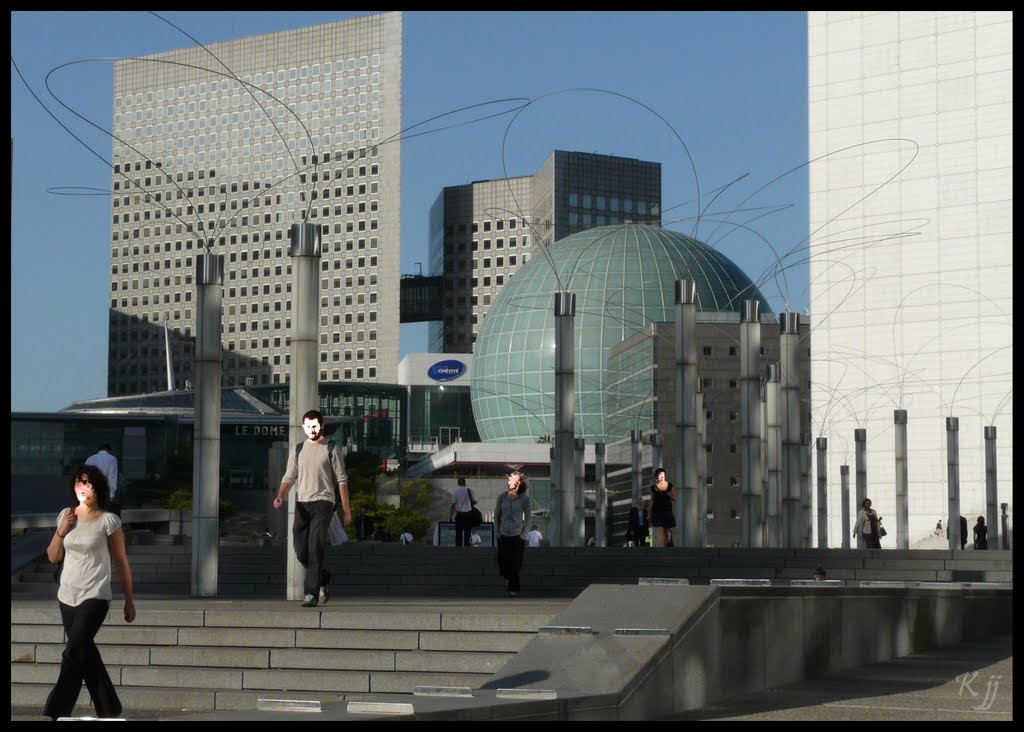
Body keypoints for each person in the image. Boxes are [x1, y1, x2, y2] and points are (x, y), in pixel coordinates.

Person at [43, 465, 135, 720]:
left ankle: (55, 711)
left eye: (89, 483)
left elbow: (121, 562)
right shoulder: (66, 515)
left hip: (95, 595)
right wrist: (62, 530)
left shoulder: (109, 520)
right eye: (79, 483)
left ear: (98, 488)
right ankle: (109, 708)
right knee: (84, 653)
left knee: (74, 652)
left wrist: (129, 601)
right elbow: (53, 557)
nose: (83, 488)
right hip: (67, 596)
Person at [274, 409, 351, 607]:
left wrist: (346, 509)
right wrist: (281, 495)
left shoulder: (332, 448)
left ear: (322, 425)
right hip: (302, 504)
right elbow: (289, 477)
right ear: (303, 427)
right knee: (301, 551)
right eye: (307, 426)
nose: (311, 429)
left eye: (315, 426)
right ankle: (322, 578)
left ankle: (311, 594)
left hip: (324, 503)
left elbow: (342, 480)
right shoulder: (298, 450)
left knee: (315, 548)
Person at [494, 471, 531, 597]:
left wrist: (524, 535)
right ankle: (507, 578)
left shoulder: (525, 499)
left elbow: (529, 518)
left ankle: (513, 589)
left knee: (515, 564)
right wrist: (497, 532)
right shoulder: (502, 497)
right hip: (503, 534)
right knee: (502, 561)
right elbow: (497, 516)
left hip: (517, 535)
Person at [85, 444, 120, 517]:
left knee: (93, 511)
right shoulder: (112, 459)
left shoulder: (90, 458)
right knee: (105, 512)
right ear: (109, 451)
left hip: (90, 489)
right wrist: (112, 494)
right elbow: (112, 476)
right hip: (104, 489)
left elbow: (85, 476)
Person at [649, 468, 676, 548]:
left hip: (667, 510)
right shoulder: (653, 488)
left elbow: (675, 499)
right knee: (660, 530)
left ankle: (666, 548)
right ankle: (662, 549)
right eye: (660, 474)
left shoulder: (670, 486)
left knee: (666, 531)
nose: (662, 476)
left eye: (663, 474)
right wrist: (649, 514)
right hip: (657, 511)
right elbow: (651, 501)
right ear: (657, 476)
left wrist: (670, 495)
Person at [449, 477, 475, 547]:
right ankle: (467, 548)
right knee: (467, 533)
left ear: (458, 483)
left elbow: (453, 505)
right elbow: (474, 502)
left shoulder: (455, 491)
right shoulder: (469, 490)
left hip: (459, 515)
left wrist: (450, 516)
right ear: (465, 482)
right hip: (468, 514)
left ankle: (458, 549)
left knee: (458, 533)